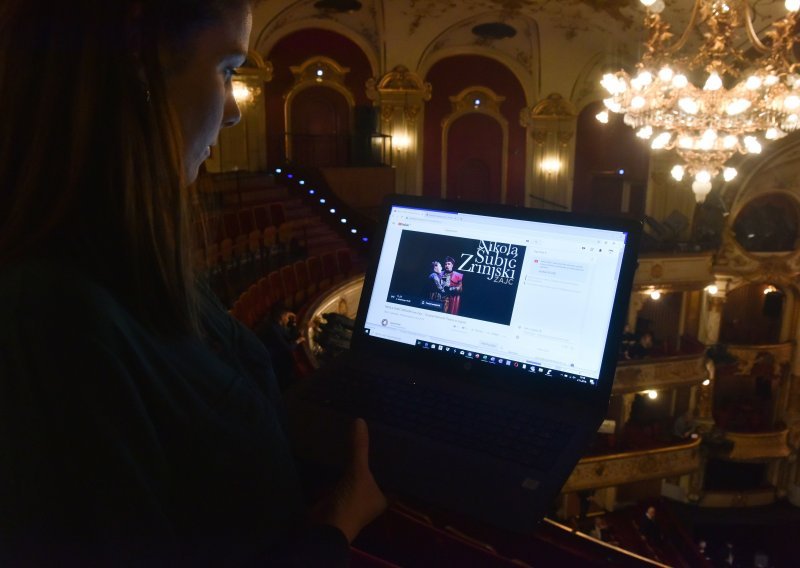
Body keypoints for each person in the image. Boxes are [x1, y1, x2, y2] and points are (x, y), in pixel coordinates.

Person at [0, 1, 386, 565]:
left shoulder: (127, 256)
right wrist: (336, 527)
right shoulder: (45, 319)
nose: (234, 111)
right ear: (141, 69)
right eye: (228, 70)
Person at [258, 302, 306, 391]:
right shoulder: (273, 329)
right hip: (273, 360)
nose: (288, 319)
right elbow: (288, 347)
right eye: (287, 317)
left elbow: (288, 337)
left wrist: (295, 323)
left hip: (278, 355)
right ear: (282, 317)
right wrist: (299, 340)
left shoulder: (278, 325)